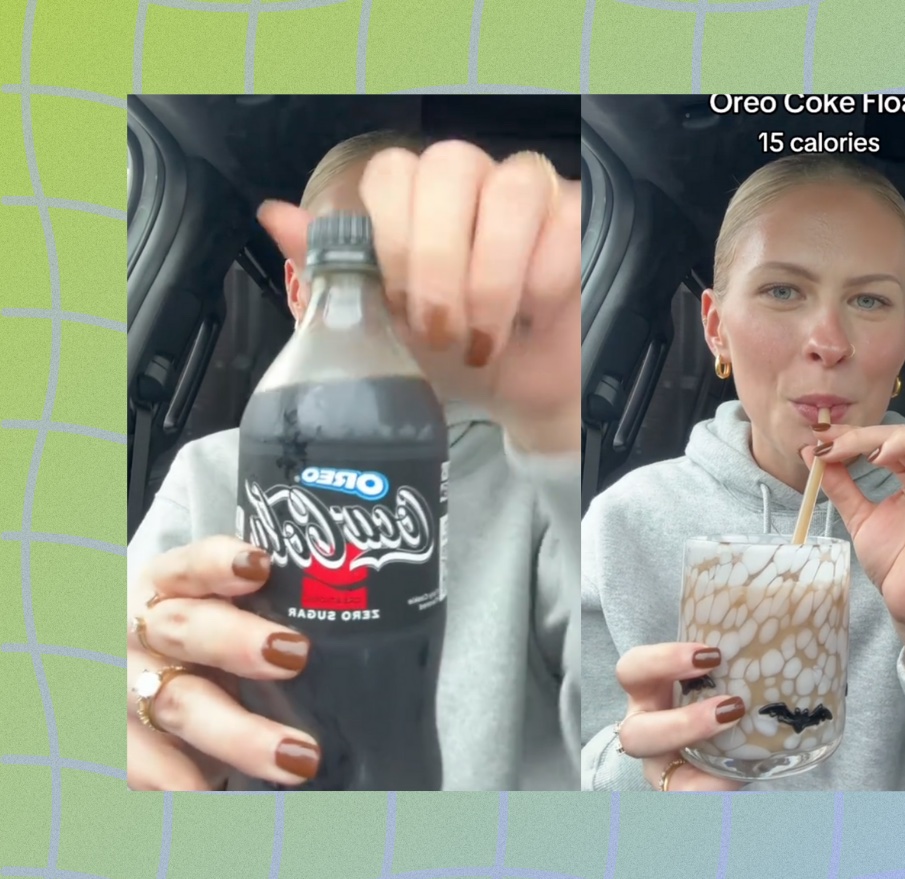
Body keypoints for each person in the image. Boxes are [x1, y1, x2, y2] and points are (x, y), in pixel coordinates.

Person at [581, 155, 905, 792]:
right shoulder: (622, 523)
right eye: (783, 291)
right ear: (716, 327)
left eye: (869, 299)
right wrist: (643, 775)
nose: (829, 342)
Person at [126, 130, 582, 791]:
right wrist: (135, 704)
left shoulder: (537, 474)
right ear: (297, 287)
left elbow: (610, 709)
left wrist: (560, 441)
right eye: (358, 275)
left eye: (419, 271)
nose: (387, 303)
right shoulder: (209, 472)